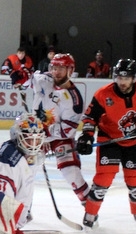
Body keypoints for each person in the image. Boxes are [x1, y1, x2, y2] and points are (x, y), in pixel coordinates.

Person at [77, 59, 136, 230]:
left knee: (135, 181)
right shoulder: (103, 94)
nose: (122, 82)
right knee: (103, 180)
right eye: (120, 78)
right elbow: (90, 117)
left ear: (134, 78)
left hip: (134, 140)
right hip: (109, 138)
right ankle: (90, 214)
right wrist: (86, 136)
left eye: (126, 78)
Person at [29, 53, 91, 205]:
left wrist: (46, 133)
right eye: (54, 68)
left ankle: (90, 208)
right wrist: (20, 76)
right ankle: (23, 209)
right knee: (24, 171)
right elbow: (26, 81)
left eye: (61, 69)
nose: (56, 72)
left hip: (59, 138)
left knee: (71, 172)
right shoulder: (44, 79)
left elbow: (66, 130)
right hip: (35, 134)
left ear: (70, 70)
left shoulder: (75, 99)